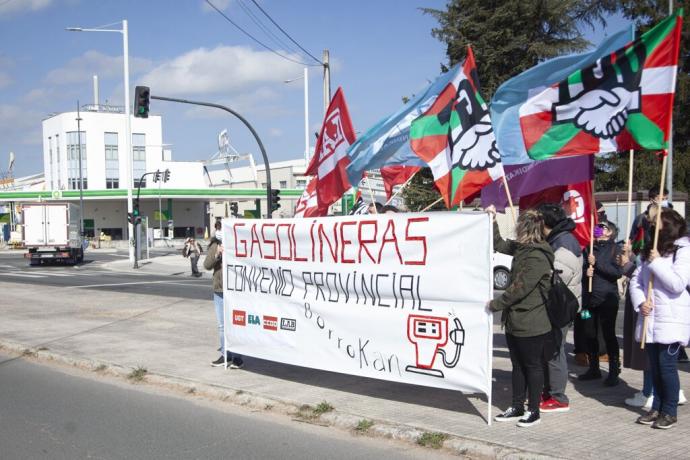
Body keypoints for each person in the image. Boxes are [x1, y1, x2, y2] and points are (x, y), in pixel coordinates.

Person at [487, 206, 553, 428]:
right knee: (517, 365)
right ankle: (517, 406)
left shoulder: (538, 255)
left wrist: (494, 304)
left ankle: (533, 410)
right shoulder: (521, 248)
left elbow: (520, 288)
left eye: (519, 226)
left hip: (532, 321)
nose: (516, 230)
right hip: (515, 320)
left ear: (526, 228)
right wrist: (493, 220)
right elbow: (499, 244)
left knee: (532, 366)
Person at [630, 208, 690, 429]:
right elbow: (637, 280)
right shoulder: (651, 250)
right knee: (654, 366)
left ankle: (670, 410)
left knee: (666, 366)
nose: (654, 227)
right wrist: (640, 302)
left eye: (658, 223)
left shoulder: (683, 250)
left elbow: (677, 284)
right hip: (651, 318)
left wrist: (657, 262)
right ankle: (656, 406)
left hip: (671, 319)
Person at [537, 203, 582, 413]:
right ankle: (549, 391)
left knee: (555, 351)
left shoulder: (563, 243)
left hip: (560, 306)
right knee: (548, 350)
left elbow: (557, 278)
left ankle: (558, 397)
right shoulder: (556, 239)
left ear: (544, 222)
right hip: (555, 305)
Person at [579, 220, 623, 385]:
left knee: (608, 335)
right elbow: (581, 270)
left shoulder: (615, 249)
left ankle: (613, 370)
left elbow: (617, 273)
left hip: (607, 299)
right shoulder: (588, 249)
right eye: (597, 227)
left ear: (610, 232)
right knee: (588, 333)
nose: (598, 229)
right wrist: (586, 271)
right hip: (588, 300)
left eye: (602, 227)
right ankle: (594, 368)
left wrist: (597, 264)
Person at [204, 220, 244, 369]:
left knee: (236, 324)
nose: (219, 230)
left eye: (221, 228)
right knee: (222, 325)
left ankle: (237, 357)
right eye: (218, 228)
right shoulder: (214, 245)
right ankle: (225, 354)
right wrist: (217, 254)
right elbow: (207, 265)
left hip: (235, 291)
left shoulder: (236, 244)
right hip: (220, 291)